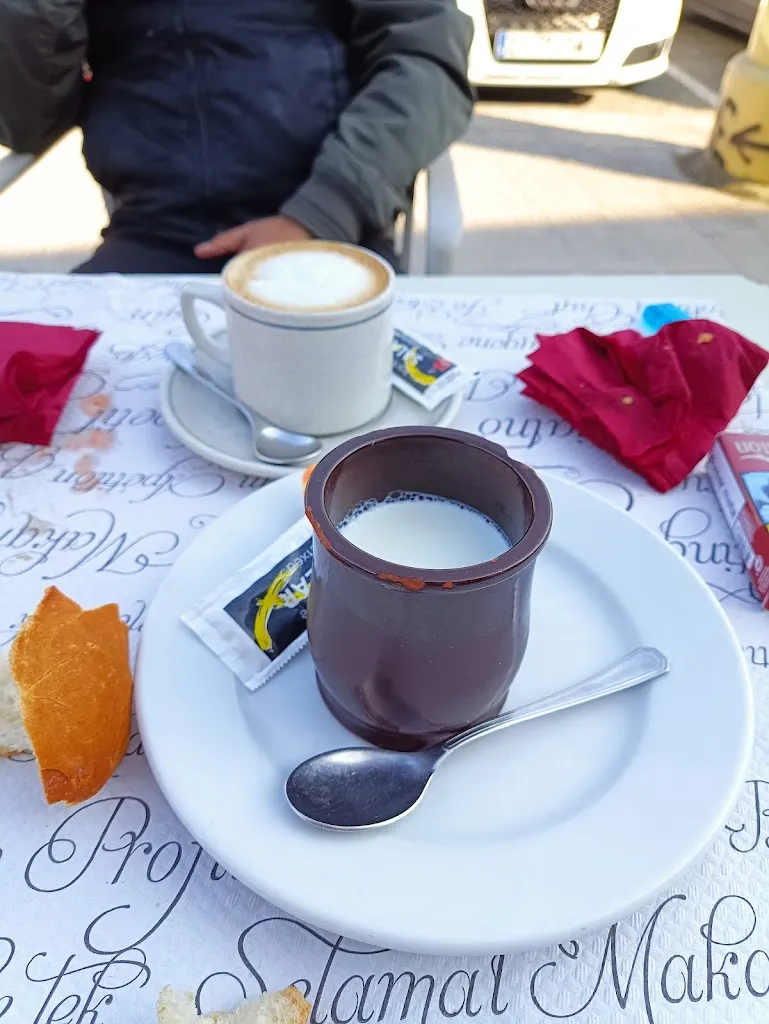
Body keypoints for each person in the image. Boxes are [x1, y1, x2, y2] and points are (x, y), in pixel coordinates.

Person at [0, 1, 474, 274]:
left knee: (376, 434)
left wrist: (323, 211)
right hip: (154, 237)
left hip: (329, 228)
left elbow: (425, 63)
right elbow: (28, 122)